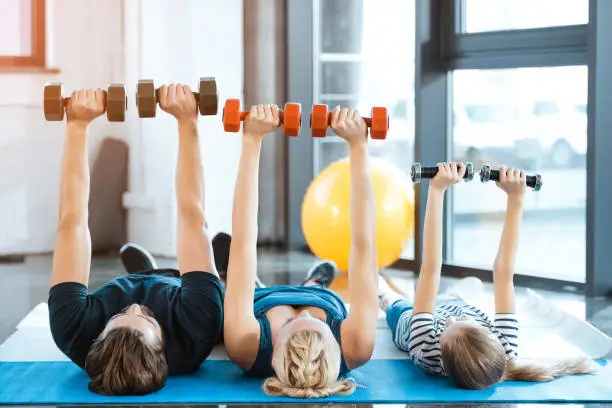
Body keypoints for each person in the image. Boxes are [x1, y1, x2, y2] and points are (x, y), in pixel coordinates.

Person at [48, 85, 224, 395]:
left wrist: (77, 124)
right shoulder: (196, 328)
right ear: (164, 350)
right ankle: (223, 271)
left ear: (97, 337)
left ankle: (145, 272)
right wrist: (188, 121)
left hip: (150, 286)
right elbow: (192, 217)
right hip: (178, 292)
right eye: (147, 319)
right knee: (235, 295)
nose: (135, 307)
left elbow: (71, 223)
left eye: (119, 316)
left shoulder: (73, 329)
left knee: (138, 283)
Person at [379, 162, 596, 390]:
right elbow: (503, 274)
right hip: (458, 305)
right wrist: (517, 198)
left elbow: (431, 268)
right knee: (471, 286)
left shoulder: (424, 346)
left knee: (389, 298)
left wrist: (437, 190)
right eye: (461, 323)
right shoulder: (505, 349)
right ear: (487, 334)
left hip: (410, 318)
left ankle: (384, 296)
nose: (449, 321)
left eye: (445, 329)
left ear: (442, 356)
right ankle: (453, 297)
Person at [221, 105, 379, 398]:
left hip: (262, 300)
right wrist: (359, 146)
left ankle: (207, 277)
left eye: (292, 323)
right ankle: (314, 284)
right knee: (313, 291)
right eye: (317, 321)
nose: (304, 311)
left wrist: (252, 140)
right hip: (323, 297)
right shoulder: (357, 345)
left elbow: (243, 240)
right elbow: (363, 244)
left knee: (226, 286)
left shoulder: (245, 345)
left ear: (275, 351)